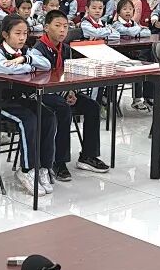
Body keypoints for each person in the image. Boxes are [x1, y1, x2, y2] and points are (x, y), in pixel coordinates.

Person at [31, 10, 105, 180]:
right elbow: (40, 79)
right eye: (57, 26)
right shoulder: (38, 50)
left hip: (63, 91)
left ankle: (88, 155)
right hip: (43, 94)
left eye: (65, 26)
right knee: (63, 109)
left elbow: (69, 74)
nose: (62, 30)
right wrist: (65, 93)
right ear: (46, 27)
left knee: (92, 106)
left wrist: (72, 91)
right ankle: (58, 161)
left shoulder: (66, 49)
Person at [0, 15, 56, 196]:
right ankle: (26, 170)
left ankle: (43, 167)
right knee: (28, 120)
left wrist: (25, 60)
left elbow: (47, 65)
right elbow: (4, 68)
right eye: (17, 33)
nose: (22, 38)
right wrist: (31, 67)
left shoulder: (26, 51)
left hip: (20, 99)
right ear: (5, 34)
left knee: (48, 116)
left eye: (25, 33)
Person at [113, 0, 154, 112]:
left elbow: (147, 32)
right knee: (138, 63)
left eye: (130, 9)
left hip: (133, 54)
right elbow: (128, 31)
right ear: (118, 12)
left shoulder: (133, 23)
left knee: (147, 64)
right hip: (120, 55)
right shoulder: (116, 24)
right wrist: (138, 30)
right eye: (125, 9)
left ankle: (143, 98)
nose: (128, 11)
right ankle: (109, 97)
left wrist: (136, 31)